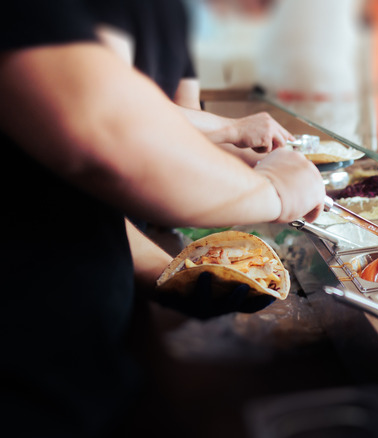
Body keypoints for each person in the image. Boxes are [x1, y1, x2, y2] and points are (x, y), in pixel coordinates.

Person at [0, 1, 324, 437]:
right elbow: (103, 132)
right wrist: (276, 191)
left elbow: (74, 197)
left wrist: (167, 274)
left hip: (79, 359)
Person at [87, 0, 294, 167]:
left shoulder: (177, 14)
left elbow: (194, 123)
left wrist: (276, 160)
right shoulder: (107, 8)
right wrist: (235, 128)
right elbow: (124, 112)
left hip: (154, 186)